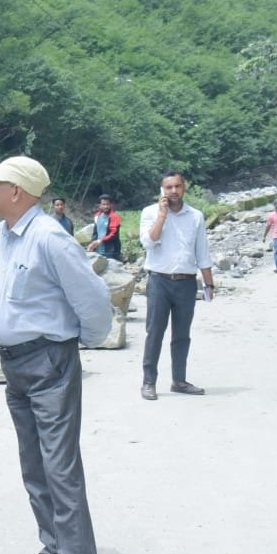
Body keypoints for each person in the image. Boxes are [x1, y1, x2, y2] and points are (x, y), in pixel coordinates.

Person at [0, 156, 112, 554]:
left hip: (49, 362)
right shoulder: (4, 234)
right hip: (15, 364)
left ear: (16, 191)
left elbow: (93, 299)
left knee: (60, 467)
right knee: (33, 463)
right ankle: (54, 548)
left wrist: (77, 343)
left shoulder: (51, 238)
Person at [138, 171, 214, 401]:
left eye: (177, 186)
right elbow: (148, 242)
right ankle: (148, 382)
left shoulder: (196, 216)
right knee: (154, 333)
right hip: (159, 282)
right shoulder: (150, 212)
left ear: (184, 188)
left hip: (186, 283)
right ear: (162, 190)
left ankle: (179, 381)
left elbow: (202, 251)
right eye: (168, 187)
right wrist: (162, 216)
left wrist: (209, 283)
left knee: (182, 335)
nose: (173, 191)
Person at [87, 194, 121, 260]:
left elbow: (113, 234)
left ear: (111, 205)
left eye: (107, 204)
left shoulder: (114, 217)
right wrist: (92, 244)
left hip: (111, 251)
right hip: (98, 250)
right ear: (100, 205)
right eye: (103, 204)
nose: (105, 206)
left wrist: (100, 241)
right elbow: (95, 233)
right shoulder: (97, 216)